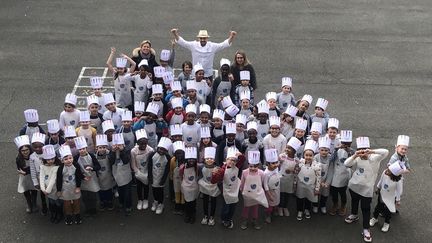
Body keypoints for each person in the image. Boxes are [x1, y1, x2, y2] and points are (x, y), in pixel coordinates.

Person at [344, 137, 389, 243]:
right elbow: (346, 164)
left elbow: (386, 152)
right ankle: (354, 215)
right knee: (354, 202)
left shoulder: (375, 158)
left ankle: (366, 229)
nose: (363, 152)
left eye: (365, 149)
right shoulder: (357, 158)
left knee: (365, 209)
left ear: (368, 149)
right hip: (354, 186)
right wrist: (355, 155)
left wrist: (372, 151)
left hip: (366, 189)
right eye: (361, 149)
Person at [171, 28, 237, 80]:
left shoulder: (212, 46)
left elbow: (223, 45)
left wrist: (232, 36)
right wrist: (175, 33)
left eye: (204, 38)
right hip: (196, 74)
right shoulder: (193, 45)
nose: (202, 40)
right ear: (198, 38)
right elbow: (183, 43)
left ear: (207, 38)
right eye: (201, 38)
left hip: (208, 75)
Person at [369, 162, 404, 233]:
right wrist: (378, 188)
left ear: (394, 174)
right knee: (378, 207)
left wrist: (398, 200)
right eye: (387, 169)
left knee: (388, 211)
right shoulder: (385, 172)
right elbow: (381, 181)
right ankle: (375, 218)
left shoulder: (398, 181)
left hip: (390, 198)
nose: (386, 171)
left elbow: (399, 191)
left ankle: (386, 223)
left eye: (389, 171)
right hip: (382, 195)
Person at [56, 145, 84, 225]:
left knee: (76, 201)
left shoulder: (76, 165)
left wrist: (78, 186)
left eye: (70, 158)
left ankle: (77, 214)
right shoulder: (60, 168)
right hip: (65, 188)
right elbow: (59, 180)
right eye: (66, 159)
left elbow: (78, 176)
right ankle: (68, 216)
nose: (68, 160)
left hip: (74, 186)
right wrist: (59, 190)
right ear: (62, 160)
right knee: (67, 203)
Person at [328, 130, 354, 216]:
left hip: (344, 174)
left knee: (342, 192)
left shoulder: (352, 151)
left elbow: (352, 164)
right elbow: (331, 159)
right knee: (334, 191)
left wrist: (349, 151)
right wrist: (336, 150)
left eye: (347, 143)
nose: (345, 145)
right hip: (335, 173)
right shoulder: (337, 150)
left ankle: (343, 205)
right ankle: (335, 204)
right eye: (343, 143)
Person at [240, 151, 267, 230]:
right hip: (247, 193)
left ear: (258, 165)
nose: (253, 168)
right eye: (251, 166)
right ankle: (244, 220)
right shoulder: (244, 172)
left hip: (257, 193)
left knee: (255, 207)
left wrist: (262, 192)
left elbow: (261, 182)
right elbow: (242, 182)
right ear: (248, 165)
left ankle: (254, 220)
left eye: (255, 166)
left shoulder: (261, 173)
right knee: (246, 207)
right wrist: (241, 190)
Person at [73, 136, 101, 217]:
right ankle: (87, 209)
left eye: (83, 148)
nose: (82, 150)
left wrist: (92, 168)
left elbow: (98, 166)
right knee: (85, 196)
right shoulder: (76, 158)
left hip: (92, 179)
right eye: (80, 149)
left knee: (93, 196)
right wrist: (82, 177)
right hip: (83, 180)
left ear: (86, 148)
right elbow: (76, 171)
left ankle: (94, 209)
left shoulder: (91, 156)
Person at [294, 140, 321, 221]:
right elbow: (296, 174)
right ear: (304, 155)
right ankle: (300, 211)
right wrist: (295, 184)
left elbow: (319, 178)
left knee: (309, 198)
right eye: (306, 155)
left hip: (311, 185)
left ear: (313, 156)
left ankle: (307, 210)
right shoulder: (300, 163)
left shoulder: (317, 165)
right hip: (301, 185)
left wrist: (317, 188)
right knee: (300, 198)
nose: (308, 157)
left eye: (310, 155)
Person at [109, 133, 133, 216]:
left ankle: (128, 205)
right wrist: (112, 152)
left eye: (120, 144)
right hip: (117, 174)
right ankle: (121, 203)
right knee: (120, 190)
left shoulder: (127, 151)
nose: (117, 146)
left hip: (126, 174)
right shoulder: (111, 152)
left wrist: (122, 151)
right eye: (116, 144)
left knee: (127, 191)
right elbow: (111, 162)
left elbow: (126, 160)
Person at [131, 129, 154, 211]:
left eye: (145, 143)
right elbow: (133, 164)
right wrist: (137, 173)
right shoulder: (133, 151)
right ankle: (140, 200)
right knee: (139, 187)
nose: (144, 145)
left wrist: (148, 174)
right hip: (138, 172)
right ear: (137, 143)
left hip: (147, 171)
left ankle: (145, 199)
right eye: (141, 143)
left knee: (146, 186)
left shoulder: (150, 150)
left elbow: (151, 163)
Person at [39, 145, 62, 223]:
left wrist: (47, 190)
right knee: (51, 203)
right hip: (47, 191)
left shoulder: (56, 167)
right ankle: (53, 214)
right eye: (48, 159)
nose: (50, 161)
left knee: (58, 203)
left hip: (55, 189)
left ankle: (59, 214)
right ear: (45, 159)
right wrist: (43, 189)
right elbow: (41, 177)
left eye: (52, 159)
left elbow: (53, 179)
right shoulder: (42, 166)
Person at [14, 135, 37, 213]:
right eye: (23, 150)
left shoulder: (34, 156)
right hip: (24, 178)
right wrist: (22, 171)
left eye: (26, 149)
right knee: (26, 191)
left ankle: (34, 204)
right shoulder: (18, 158)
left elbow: (35, 168)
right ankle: (29, 204)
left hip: (32, 176)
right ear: (20, 151)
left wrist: (26, 171)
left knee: (34, 190)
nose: (25, 152)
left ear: (29, 149)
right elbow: (19, 168)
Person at [198, 147, 220, 226]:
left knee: (214, 202)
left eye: (211, 158)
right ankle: (205, 216)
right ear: (204, 159)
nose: (209, 160)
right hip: (205, 186)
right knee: (205, 201)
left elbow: (220, 178)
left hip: (214, 187)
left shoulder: (217, 168)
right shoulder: (201, 167)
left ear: (214, 160)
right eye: (207, 158)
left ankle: (211, 217)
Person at [180, 147, 199, 224]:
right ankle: (187, 214)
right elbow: (181, 176)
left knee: (193, 202)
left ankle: (193, 214)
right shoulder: (182, 167)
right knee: (187, 202)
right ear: (186, 159)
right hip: (186, 187)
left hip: (194, 187)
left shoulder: (197, 167)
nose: (191, 160)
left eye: (193, 159)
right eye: (189, 159)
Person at [263, 149, 281, 224]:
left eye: (276, 162)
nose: (276, 165)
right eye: (273, 163)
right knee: (270, 204)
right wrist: (269, 194)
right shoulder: (266, 173)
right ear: (268, 163)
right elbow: (265, 184)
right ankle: (268, 215)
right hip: (270, 191)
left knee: (276, 201)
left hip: (277, 189)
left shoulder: (276, 169)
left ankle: (275, 209)